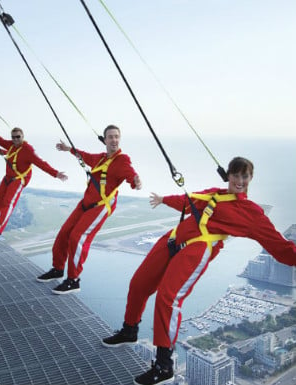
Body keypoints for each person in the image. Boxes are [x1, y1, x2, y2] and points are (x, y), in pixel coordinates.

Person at [101, 156, 296, 385]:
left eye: (245, 176)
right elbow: (190, 201)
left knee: (168, 298)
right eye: (235, 174)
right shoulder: (215, 193)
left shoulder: (250, 212)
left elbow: (278, 245)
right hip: (174, 239)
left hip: (198, 247)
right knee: (139, 283)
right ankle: (129, 330)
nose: (239, 180)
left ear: (250, 179)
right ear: (229, 176)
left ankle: (164, 366)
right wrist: (164, 200)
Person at [37, 125, 142, 294]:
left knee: (77, 237)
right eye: (110, 137)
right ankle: (57, 269)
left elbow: (130, 174)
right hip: (86, 203)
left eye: (116, 137)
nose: (114, 140)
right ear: (105, 140)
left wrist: (136, 182)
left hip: (101, 205)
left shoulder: (122, 160)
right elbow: (84, 156)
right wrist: (68, 149)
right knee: (64, 234)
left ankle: (73, 280)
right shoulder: (100, 158)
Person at [0, 123, 68, 235]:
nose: (15, 139)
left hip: (20, 179)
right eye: (13, 137)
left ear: (22, 136)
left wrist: (56, 173)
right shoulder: (11, 145)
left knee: (7, 202)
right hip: (8, 177)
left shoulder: (28, 150)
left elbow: (40, 163)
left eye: (18, 137)